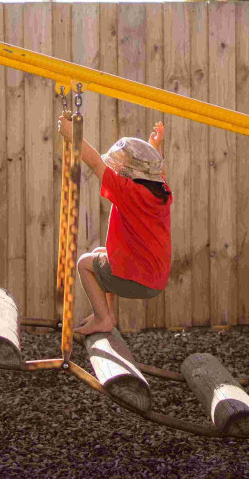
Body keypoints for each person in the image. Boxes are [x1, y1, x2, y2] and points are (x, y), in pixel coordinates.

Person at [57, 117, 172, 336]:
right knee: (103, 252)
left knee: (84, 264)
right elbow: (156, 171)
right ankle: (106, 312)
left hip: (139, 280)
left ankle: (104, 318)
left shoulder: (128, 191)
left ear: (128, 173)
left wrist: (73, 135)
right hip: (156, 276)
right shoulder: (162, 191)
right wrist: (153, 148)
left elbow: (94, 162)